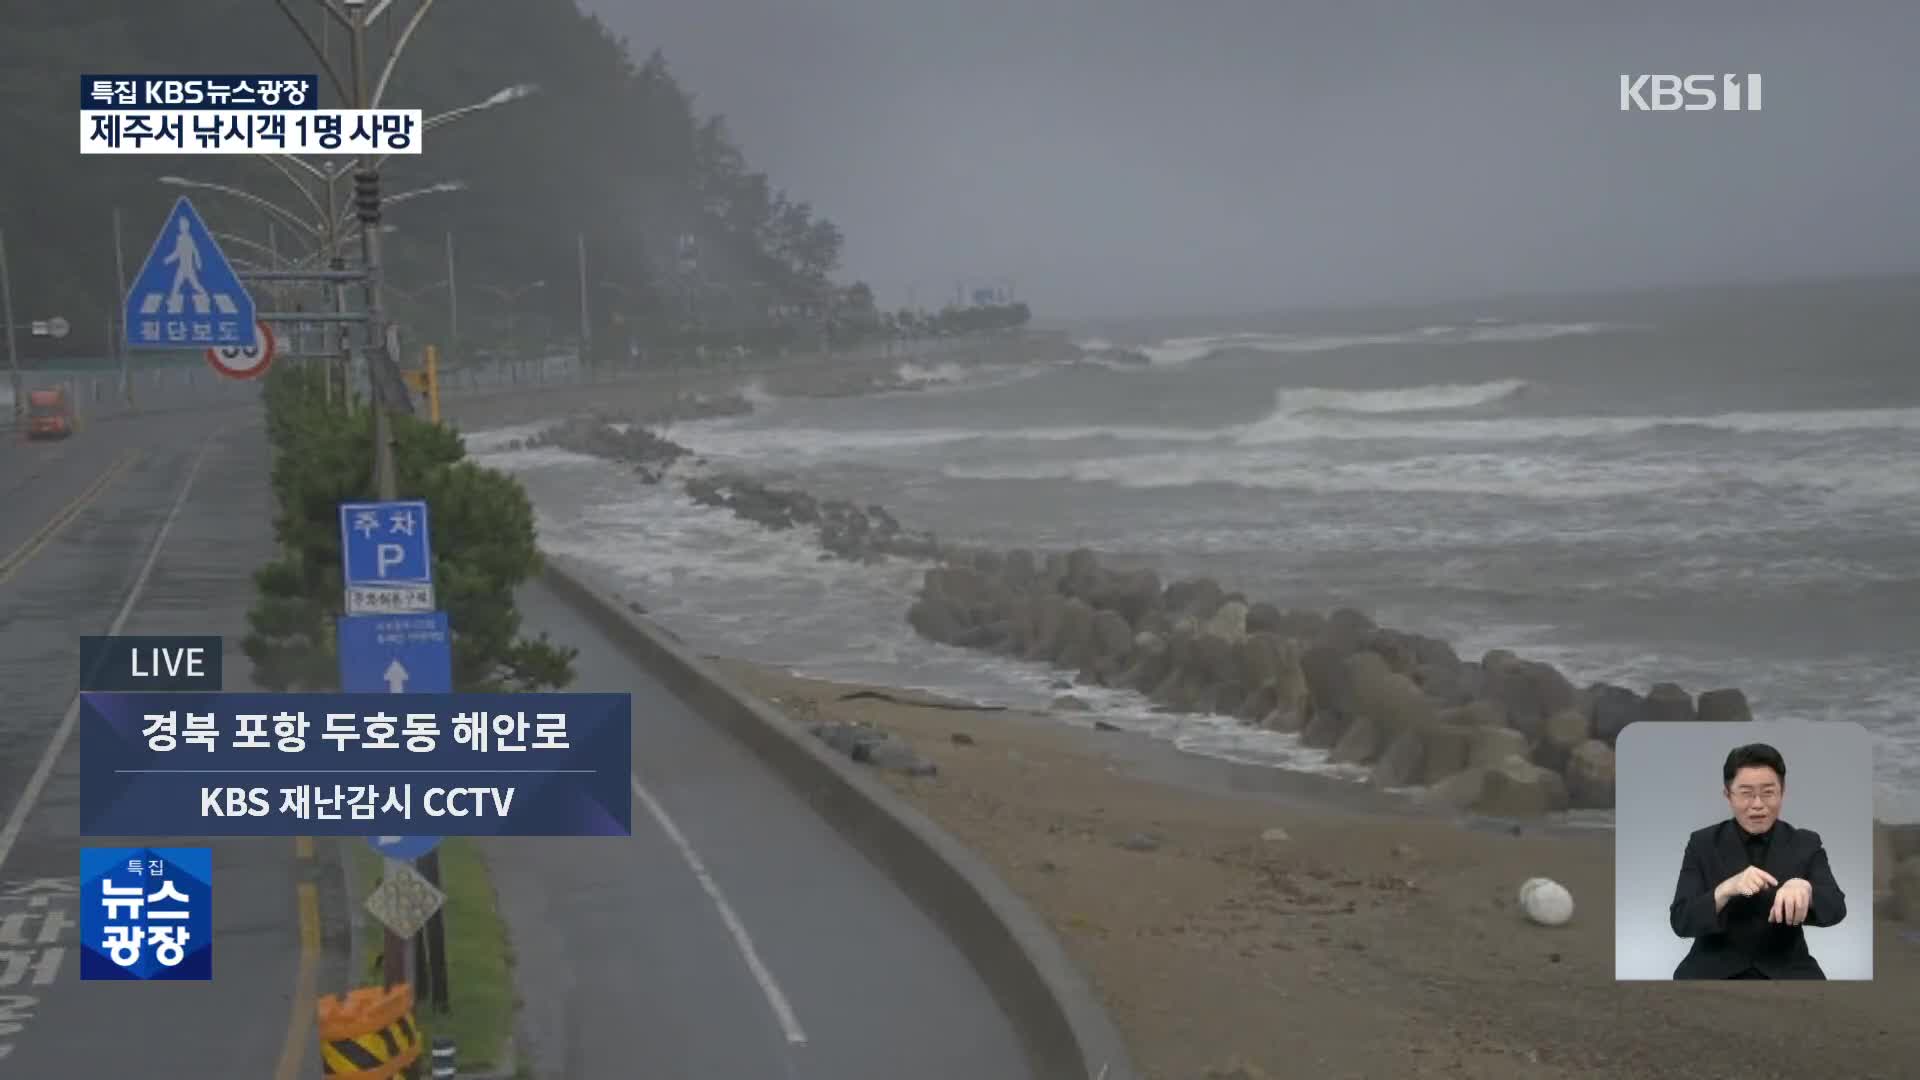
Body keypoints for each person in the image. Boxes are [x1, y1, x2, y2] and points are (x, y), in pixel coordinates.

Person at [1668, 742, 1846, 979]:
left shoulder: (1806, 843)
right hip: (1712, 967)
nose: (1758, 805)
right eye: (1746, 794)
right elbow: (1681, 921)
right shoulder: (1702, 843)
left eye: (1768, 792)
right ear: (1728, 795)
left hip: (1788, 968)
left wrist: (1806, 888)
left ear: (1782, 792)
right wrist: (1725, 890)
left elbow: (1836, 907)